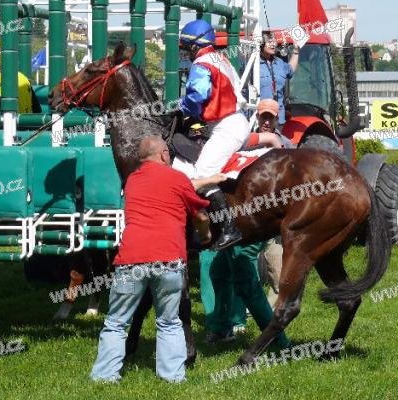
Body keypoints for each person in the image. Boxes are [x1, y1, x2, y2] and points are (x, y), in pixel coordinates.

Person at [90, 135, 224, 383]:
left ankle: (104, 376)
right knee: (169, 321)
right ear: (163, 154)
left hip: (131, 260)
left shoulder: (131, 181)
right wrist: (205, 236)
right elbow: (202, 217)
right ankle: (172, 376)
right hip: (168, 259)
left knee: (116, 322)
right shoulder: (177, 178)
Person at [178, 19, 250, 251]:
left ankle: (229, 228)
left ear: (195, 45)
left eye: (186, 47)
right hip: (232, 121)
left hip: (225, 125)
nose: (186, 52)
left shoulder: (201, 63)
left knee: (202, 174)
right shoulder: (221, 58)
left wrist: (183, 109)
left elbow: (197, 95)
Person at [200, 243, 290, 350]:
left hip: (245, 237)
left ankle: (278, 341)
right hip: (232, 237)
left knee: (247, 286)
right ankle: (222, 330)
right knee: (219, 270)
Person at [0, 40, 42, 114]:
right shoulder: (24, 78)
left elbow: (0, 113)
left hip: (10, 120)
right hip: (28, 120)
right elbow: (37, 109)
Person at [259, 32, 299, 130]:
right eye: (270, 42)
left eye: (274, 42)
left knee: (277, 139)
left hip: (278, 119)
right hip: (261, 118)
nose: (273, 44)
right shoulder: (254, 64)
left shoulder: (280, 63)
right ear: (261, 44)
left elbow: (290, 70)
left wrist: (296, 51)